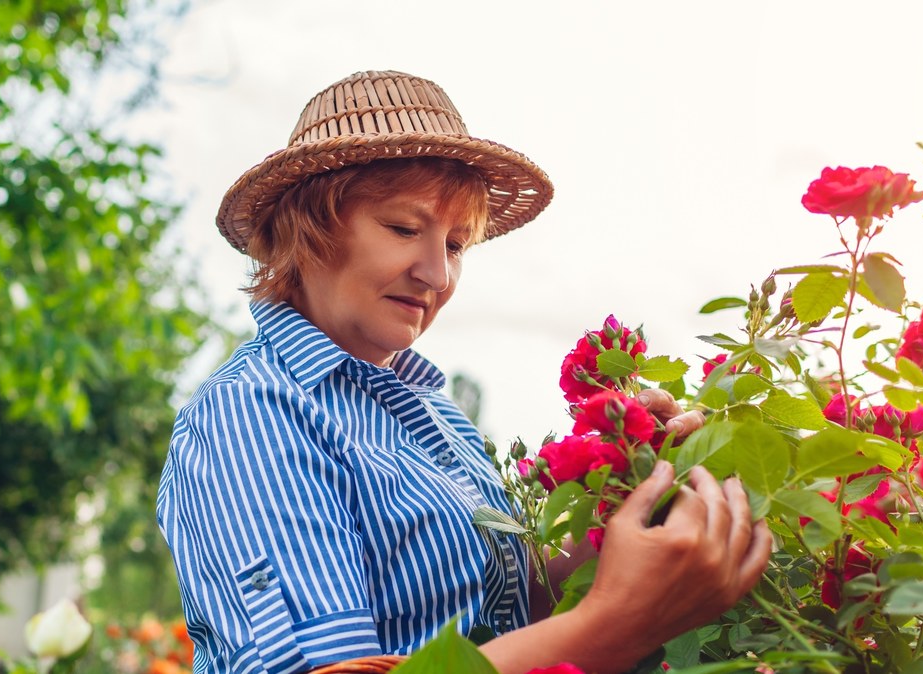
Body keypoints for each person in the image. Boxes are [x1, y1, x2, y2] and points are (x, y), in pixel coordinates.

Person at [156, 70, 771, 674]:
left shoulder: (436, 414)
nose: (438, 274)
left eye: (454, 245)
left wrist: (635, 497)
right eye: (403, 229)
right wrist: (615, 621)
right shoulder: (251, 415)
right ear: (305, 231)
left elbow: (512, 615)